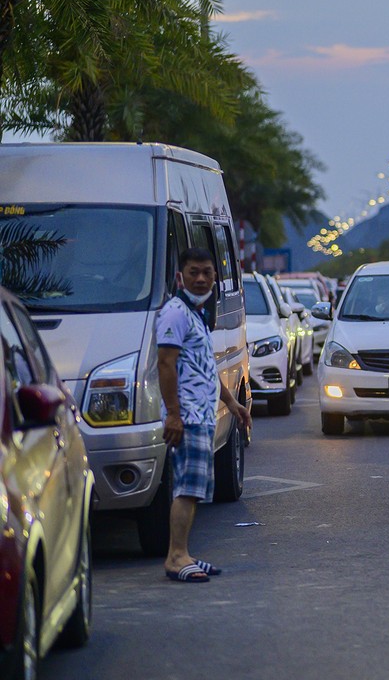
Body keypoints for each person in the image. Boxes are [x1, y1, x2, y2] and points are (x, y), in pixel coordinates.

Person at [156, 247, 251, 583]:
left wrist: (233, 403)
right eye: (193, 272)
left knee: (194, 489)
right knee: (186, 488)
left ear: (215, 276)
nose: (200, 278)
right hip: (189, 416)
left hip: (202, 415)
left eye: (206, 272)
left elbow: (205, 369)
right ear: (181, 276)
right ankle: (176, 557)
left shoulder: (196, 314)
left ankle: (183, 553)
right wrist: (174, 415)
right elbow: (165, 363)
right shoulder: (176, 313)